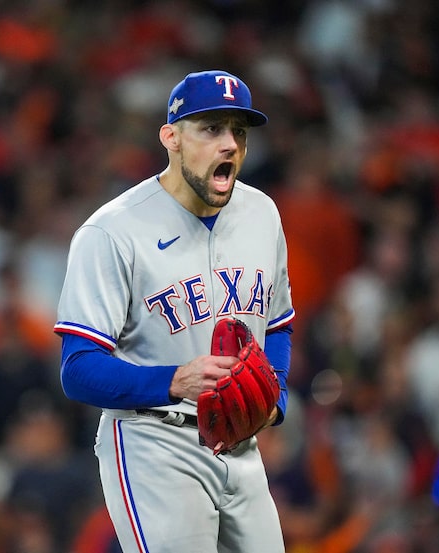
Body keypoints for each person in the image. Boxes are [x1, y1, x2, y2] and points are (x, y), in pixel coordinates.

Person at [53, 70, 295, 553]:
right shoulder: (112, 232)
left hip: (241, 444)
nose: (229, 144)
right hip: (153, 441)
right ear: (172, 138)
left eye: (238, 132)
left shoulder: (262, 214)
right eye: (210, 129)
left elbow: (280, 325)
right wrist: (173, 380)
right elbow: (77, 370)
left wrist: (276, 399)